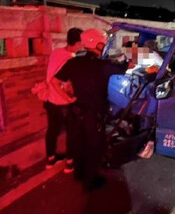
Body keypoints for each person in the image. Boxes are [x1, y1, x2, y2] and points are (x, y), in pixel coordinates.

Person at [53, 28, 129, 191]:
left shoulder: (74, 61)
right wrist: (125, 58)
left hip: (75, 111)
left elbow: (54, 81)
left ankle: (79, 174)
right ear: (98, 43)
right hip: (93, 114)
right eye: (104, 43)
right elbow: (123, 70)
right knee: (94, 147)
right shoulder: (104, 65)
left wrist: (68, 98)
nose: (106, 46)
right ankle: (89, 182)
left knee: (78, 145)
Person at [35, 28, 83, 171]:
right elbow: (56, 82)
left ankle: (50, 159)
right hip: (63, 103)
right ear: (79, 42)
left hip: (50, 101)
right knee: (72, 131)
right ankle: (69, 162)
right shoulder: (71, 59)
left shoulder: (56, 52)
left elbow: (49, 78)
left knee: (52, 130)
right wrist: (68, 99)